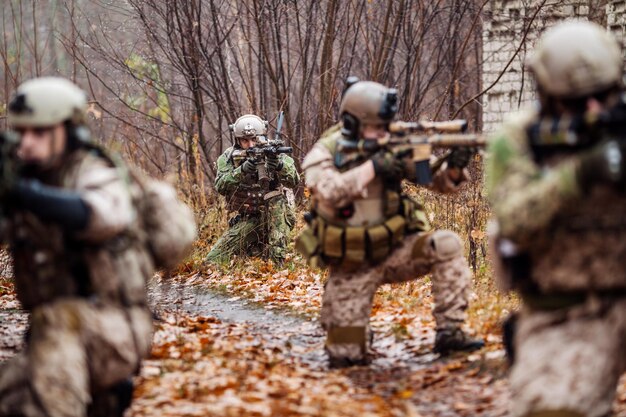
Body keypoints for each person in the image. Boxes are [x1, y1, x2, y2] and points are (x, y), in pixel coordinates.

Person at [0, 77, 192, 417]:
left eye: (39, 132)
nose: (27, 143)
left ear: (67, 132)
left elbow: (101, 215)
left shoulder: (94, 172)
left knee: (54, 340)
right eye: (22, 133)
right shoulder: (26, 175)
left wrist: (25, 195)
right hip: (59, 331)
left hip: (115, 326)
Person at [485, 21, 626, 417]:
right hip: (565, 313)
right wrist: (579, 174)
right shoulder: (519, 140)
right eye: (577, 102)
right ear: (547, 94)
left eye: (604, 97)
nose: (594, 111)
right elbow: (513, 221)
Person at [298, 79, 484, 368]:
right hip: (352, 263)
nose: (385, 133)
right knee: (346, 355)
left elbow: (436, 182)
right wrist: (373, 167)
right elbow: (327, 190)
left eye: (387, 126)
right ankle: (356, 328)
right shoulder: (328, 150)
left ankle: (450, 333)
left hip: (396, 251)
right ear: (353, 123)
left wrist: (456, 168)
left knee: (447, 244)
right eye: (377, 128)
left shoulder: (392, 143)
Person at [205, 114, 299, 265]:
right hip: (248, 219)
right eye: (245, 140)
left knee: (276, 200)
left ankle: (277, 261)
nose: (250, 145)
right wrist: (241, 170)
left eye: (254, 139)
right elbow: (221, 186)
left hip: (277, 217)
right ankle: (257, 247)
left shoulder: (275, 152)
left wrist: (279, 166)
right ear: (237, 140)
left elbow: (295, 180)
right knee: (213, 259)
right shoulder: (228, 158)